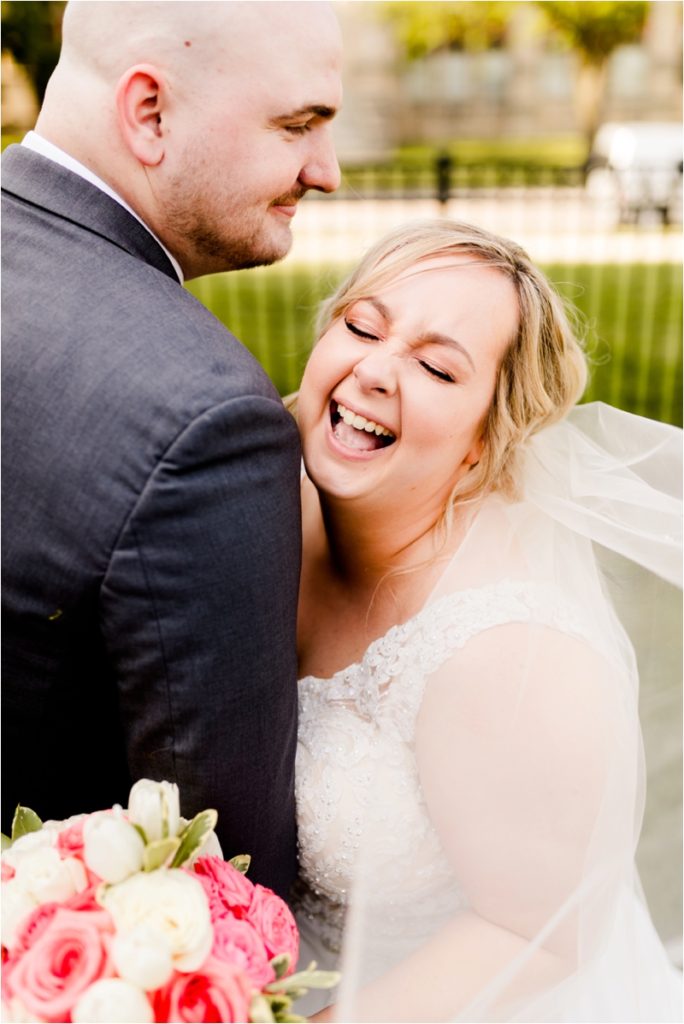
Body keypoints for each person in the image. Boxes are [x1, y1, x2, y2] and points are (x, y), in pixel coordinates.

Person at [287, 220, 683, 1020]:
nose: (374, 370)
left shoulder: (507, 648)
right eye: (362, 325)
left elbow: (534, 930)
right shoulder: (259, 483)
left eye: (436, 367)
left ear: (483, 442)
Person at [1, 0, 342, 899]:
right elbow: (224, 887)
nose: (327, 170)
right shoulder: (206, 420)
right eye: (297, 125)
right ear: (149, 112)